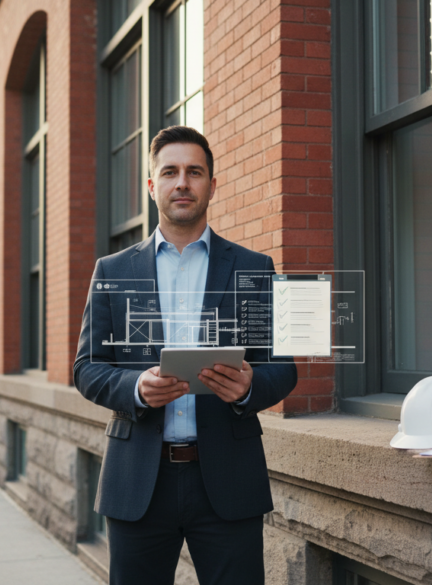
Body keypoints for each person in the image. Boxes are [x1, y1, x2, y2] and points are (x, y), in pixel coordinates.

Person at [74, 126, 297, 584]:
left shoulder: (255, 268)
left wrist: (250, 387)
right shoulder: (112, 271)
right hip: (138, 480)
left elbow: (285, 369)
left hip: (227, 482)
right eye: (170, 172)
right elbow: (85, 368)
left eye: (194, 172)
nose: (183, 182)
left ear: (212, 185)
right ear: (152, 185)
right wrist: (135, 387)